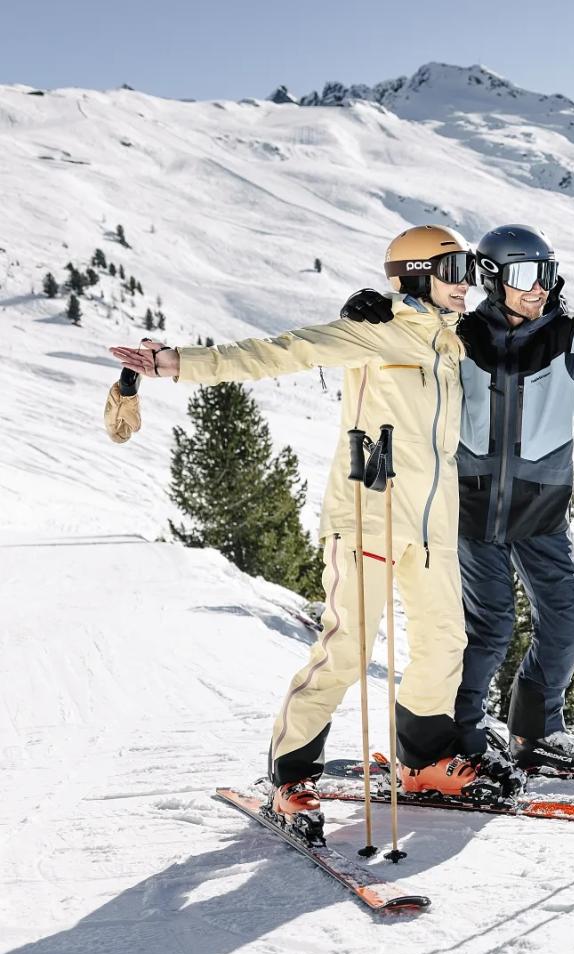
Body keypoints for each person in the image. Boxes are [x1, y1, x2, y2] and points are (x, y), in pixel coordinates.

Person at [109, 225, 524, 820]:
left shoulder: (452, 343)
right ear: (413, 275)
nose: (468, 286)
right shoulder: (370, 333)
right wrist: (177, 363)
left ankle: (425, 758)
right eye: (454, 272)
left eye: (470, 273)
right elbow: (281, 351)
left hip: (432, 527)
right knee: (347, 651)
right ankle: (291, 774)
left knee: (444, 643)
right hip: (368, 516)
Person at [341, 224, 574, 777]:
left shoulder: (567, 337)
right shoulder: (457, 334)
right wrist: (370, 308)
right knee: (488, 627)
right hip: (470, 508)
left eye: (545, 273)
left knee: (566, 627)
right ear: (491, 278)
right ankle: (460, 735)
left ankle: (537, 732)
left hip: (540, 510)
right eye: (523, 275)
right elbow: (405, 329)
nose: (537, 287)